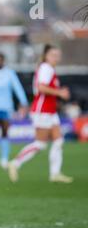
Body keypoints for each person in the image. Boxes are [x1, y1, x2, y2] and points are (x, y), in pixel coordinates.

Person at [8, 44, 73, 183]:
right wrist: (60, 92)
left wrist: (58, 93)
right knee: (40, 144)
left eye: (57, 55)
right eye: (53, 55)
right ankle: (15, 163)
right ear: (46, 56)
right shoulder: (46, 68)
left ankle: (55, 173)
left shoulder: (49, 68)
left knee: (58, 141)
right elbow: (41, 87)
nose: (56, 58)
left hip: (50, 111)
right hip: (42, 110)